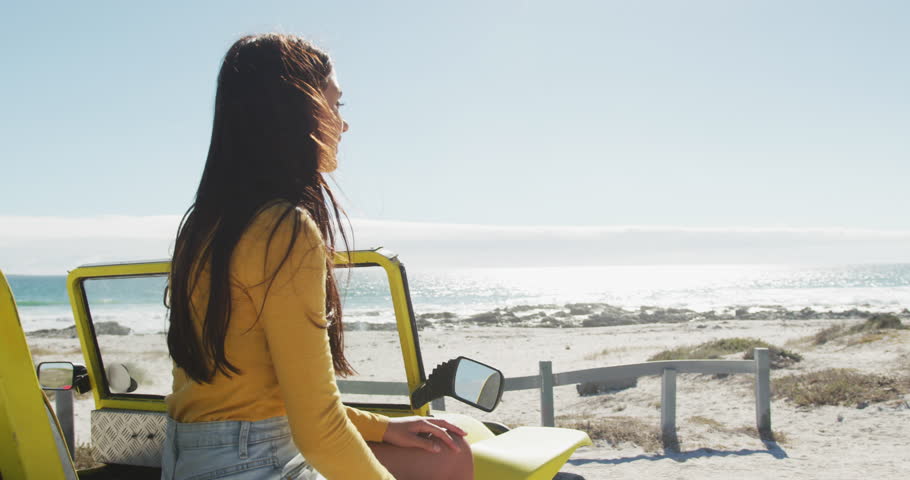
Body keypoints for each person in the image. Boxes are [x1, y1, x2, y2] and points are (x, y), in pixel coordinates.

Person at [161, 34, 473, 480]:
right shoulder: (283, 228)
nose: (342, 125)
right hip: (253, 461)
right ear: (294, 108)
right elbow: (318, 429)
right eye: (337, 105)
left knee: (446, 454)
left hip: (195, 455)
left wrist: (383, 427)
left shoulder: (205, 225)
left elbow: (275, 396)